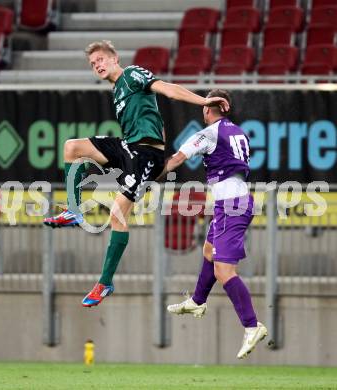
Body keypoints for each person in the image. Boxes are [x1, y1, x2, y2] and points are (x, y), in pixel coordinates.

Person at [43, 40, 229, 308]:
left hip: (145, 155)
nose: (97, 66)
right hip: (129, 147)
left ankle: (105, 282)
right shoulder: (118, 90)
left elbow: (168, 90)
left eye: (100, 60)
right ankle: (74, 210)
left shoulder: (131, 74)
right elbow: (156, 120)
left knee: (118, 212)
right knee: (72, 148)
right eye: (92, 64)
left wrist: (204, 100)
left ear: (114, 58)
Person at [160, 88, 267, 359]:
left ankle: (252, 325)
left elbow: (176, 161)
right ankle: (197, 300)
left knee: (224, 272)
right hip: (230, 203)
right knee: (209, 251)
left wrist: (146, 173)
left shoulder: (208, 133)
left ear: (207, 109)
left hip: (232, 205)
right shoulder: (238, 131)